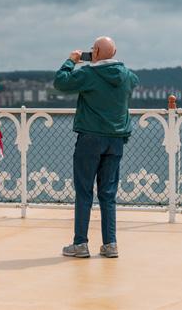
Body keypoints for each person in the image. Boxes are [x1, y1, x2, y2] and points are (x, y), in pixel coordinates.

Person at [53, 37, 138, 258]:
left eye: (93, 50)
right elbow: (134, 81)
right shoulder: (127, 76)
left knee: (84, 192)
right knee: (108, 194)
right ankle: (110, 244)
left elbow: (60, 82)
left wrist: (71, 61)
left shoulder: (88, 74)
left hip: (90, 138)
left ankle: (80, 244)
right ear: (115, 52)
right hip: (116, 139)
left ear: (97, 52)